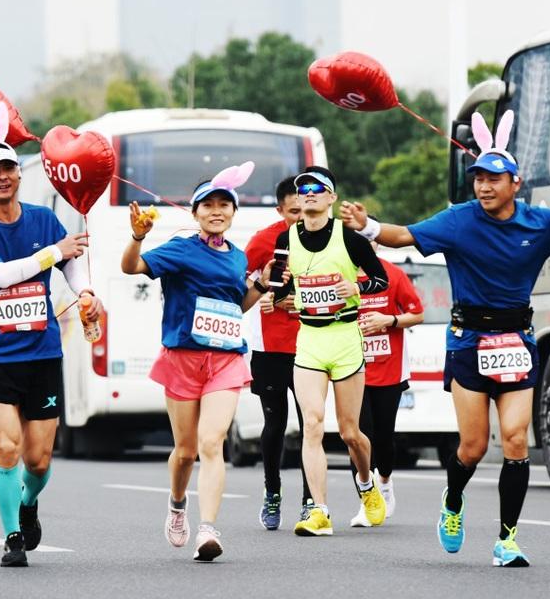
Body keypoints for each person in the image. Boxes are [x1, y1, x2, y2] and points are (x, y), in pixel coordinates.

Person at [341, 111, 550, 567]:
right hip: (469, 340)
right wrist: (369, 227)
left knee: (515, 440)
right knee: (472, 448)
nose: (484, 186)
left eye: (494, 179)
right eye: (478, 179)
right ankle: (453, 500)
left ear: (516, 182)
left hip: (516, 338)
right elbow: (405, 236)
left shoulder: (540, 223)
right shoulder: (459, 221)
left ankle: (507, 539)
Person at [0, 124, 102, 568]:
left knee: (37, 460)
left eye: (9, 169)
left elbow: (73, 269)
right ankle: (12, 537)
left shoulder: (44, 220)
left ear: (19, 174)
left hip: (42, 353)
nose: (2, 176)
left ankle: (29, 501)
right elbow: (1, 276)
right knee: (7, 446)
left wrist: (86, 294)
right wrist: (54, 253)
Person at [121, 163, 270, 562]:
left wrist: (258, 286)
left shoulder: (238, 258)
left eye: (225, 204)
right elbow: (131, 267)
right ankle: (176, 503)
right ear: (195, 212)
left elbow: (235, 307)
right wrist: (137, 238)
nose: (216, 211)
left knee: (212, 443)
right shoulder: (180, 248)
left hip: (225, 358)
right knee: (185, 451)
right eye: (209, 205)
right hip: (183, 358)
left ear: (233, 213)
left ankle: (208, 529)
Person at [275, 166, 389, 537]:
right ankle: (319, 510)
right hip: (309, 338)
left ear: (330, 198)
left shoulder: (350, 238)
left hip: (344, 339)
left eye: (316, 187)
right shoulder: (285, 239)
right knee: (311, 424)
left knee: (350, 432)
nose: (308, 192)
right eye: (302, 188)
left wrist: (352, 285)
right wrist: (279, 292)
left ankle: (366, 483)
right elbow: (277, 289)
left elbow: (379, 279)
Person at [243, 175, 312, 530]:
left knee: (311, 427)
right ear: (280, 209)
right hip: (269, 348)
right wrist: (262, 293)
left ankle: (311, 501)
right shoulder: (264, 240)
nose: (302, 217)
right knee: (275, 424)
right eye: (294, 211)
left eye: (307, 209)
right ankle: (272, 492)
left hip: (312, 347)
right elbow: (240, 283)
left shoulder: (327, 239)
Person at [348, 251, 424, 527]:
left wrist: (388, 320)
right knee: (356, 437)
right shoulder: (340, 276)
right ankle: (366, 503)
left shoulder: (393, 274)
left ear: (376, 243)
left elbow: (417, 314)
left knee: (383, 439)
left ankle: (386, 482)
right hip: (352, 368)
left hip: (389, 369)